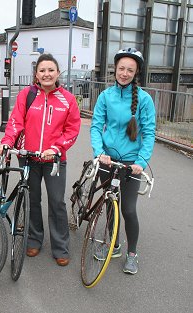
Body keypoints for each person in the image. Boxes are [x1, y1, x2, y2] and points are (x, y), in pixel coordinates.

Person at [0, 53, 81, 266]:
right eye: (42, 70)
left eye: (50, 70)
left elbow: (72, 130)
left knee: (57, 202)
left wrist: (56, 148)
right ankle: (34, 239)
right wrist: (8, 142)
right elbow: (16, 122)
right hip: (29, 157)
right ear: (36, 74)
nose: (46, 74)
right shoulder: (27, 95)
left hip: (54, 160)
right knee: (32, 200)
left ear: (58, 73)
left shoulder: (68, 99)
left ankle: (61, 247)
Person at [90, 47, 156, 275]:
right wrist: (99, 152)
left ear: (136, 72)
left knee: (128, 209)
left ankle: (132, 253)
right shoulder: (105, 96)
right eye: (121, 69)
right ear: (115, 69)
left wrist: (141, 161)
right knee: (109, 204)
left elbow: (149, 133)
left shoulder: (145, 100)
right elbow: (96, 126)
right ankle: (114, 245)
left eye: (130, 70)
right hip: (108, 161)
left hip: (130, 164)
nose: (124, 73)